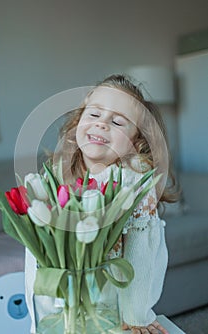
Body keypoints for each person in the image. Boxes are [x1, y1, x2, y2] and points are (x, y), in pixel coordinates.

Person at [25, 74, 179, 334]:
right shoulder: (55, 177)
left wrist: (136, 314)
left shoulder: (135, 182)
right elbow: (36, 258)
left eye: (118, 122)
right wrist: (44, 316)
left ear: (136, 141)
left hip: (113, 314)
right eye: (94, 115)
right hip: (61, 312)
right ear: (78, 122)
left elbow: (141, 255)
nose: (103, 124)